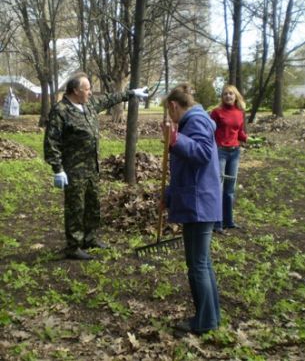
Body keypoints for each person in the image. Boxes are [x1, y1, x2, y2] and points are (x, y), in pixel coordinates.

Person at [44, 72, 148, 260]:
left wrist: (131, 93)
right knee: (75, 207)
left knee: (92, 204)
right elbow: (51, 141)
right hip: (73, 169)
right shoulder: (60, 111)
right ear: (75, 90)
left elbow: (109, 99)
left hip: (92, 166)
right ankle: (73, 246)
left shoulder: (89, 105)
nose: (90, 92)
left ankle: (90, 237)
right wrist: (57, 169)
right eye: (87, 89)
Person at [162, 84, 222, 335]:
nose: (171, 117)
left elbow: (202, 154)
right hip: (199, 199)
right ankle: (210, 316)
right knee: (202, 263)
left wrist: (174, 139)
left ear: (174, 106)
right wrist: (168, 195)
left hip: (199, 203)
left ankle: (205, 321)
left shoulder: (196, 121)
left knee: (197, 264)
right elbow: (186, 169)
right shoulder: (196, 121)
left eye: (170, 112)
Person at [210, 84, 248, 234]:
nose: (228, 96)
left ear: (235, 96)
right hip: (220, 151)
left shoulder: (239, 112)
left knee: (230, 189)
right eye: (225, 94)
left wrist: (247, 139)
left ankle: (228, 221)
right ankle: (217, 223)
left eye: (231, 94)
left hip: (235, 152)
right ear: (222, 97)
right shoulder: (216, 112)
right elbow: (210, 131)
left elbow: (239, 132)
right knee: (218, 188)